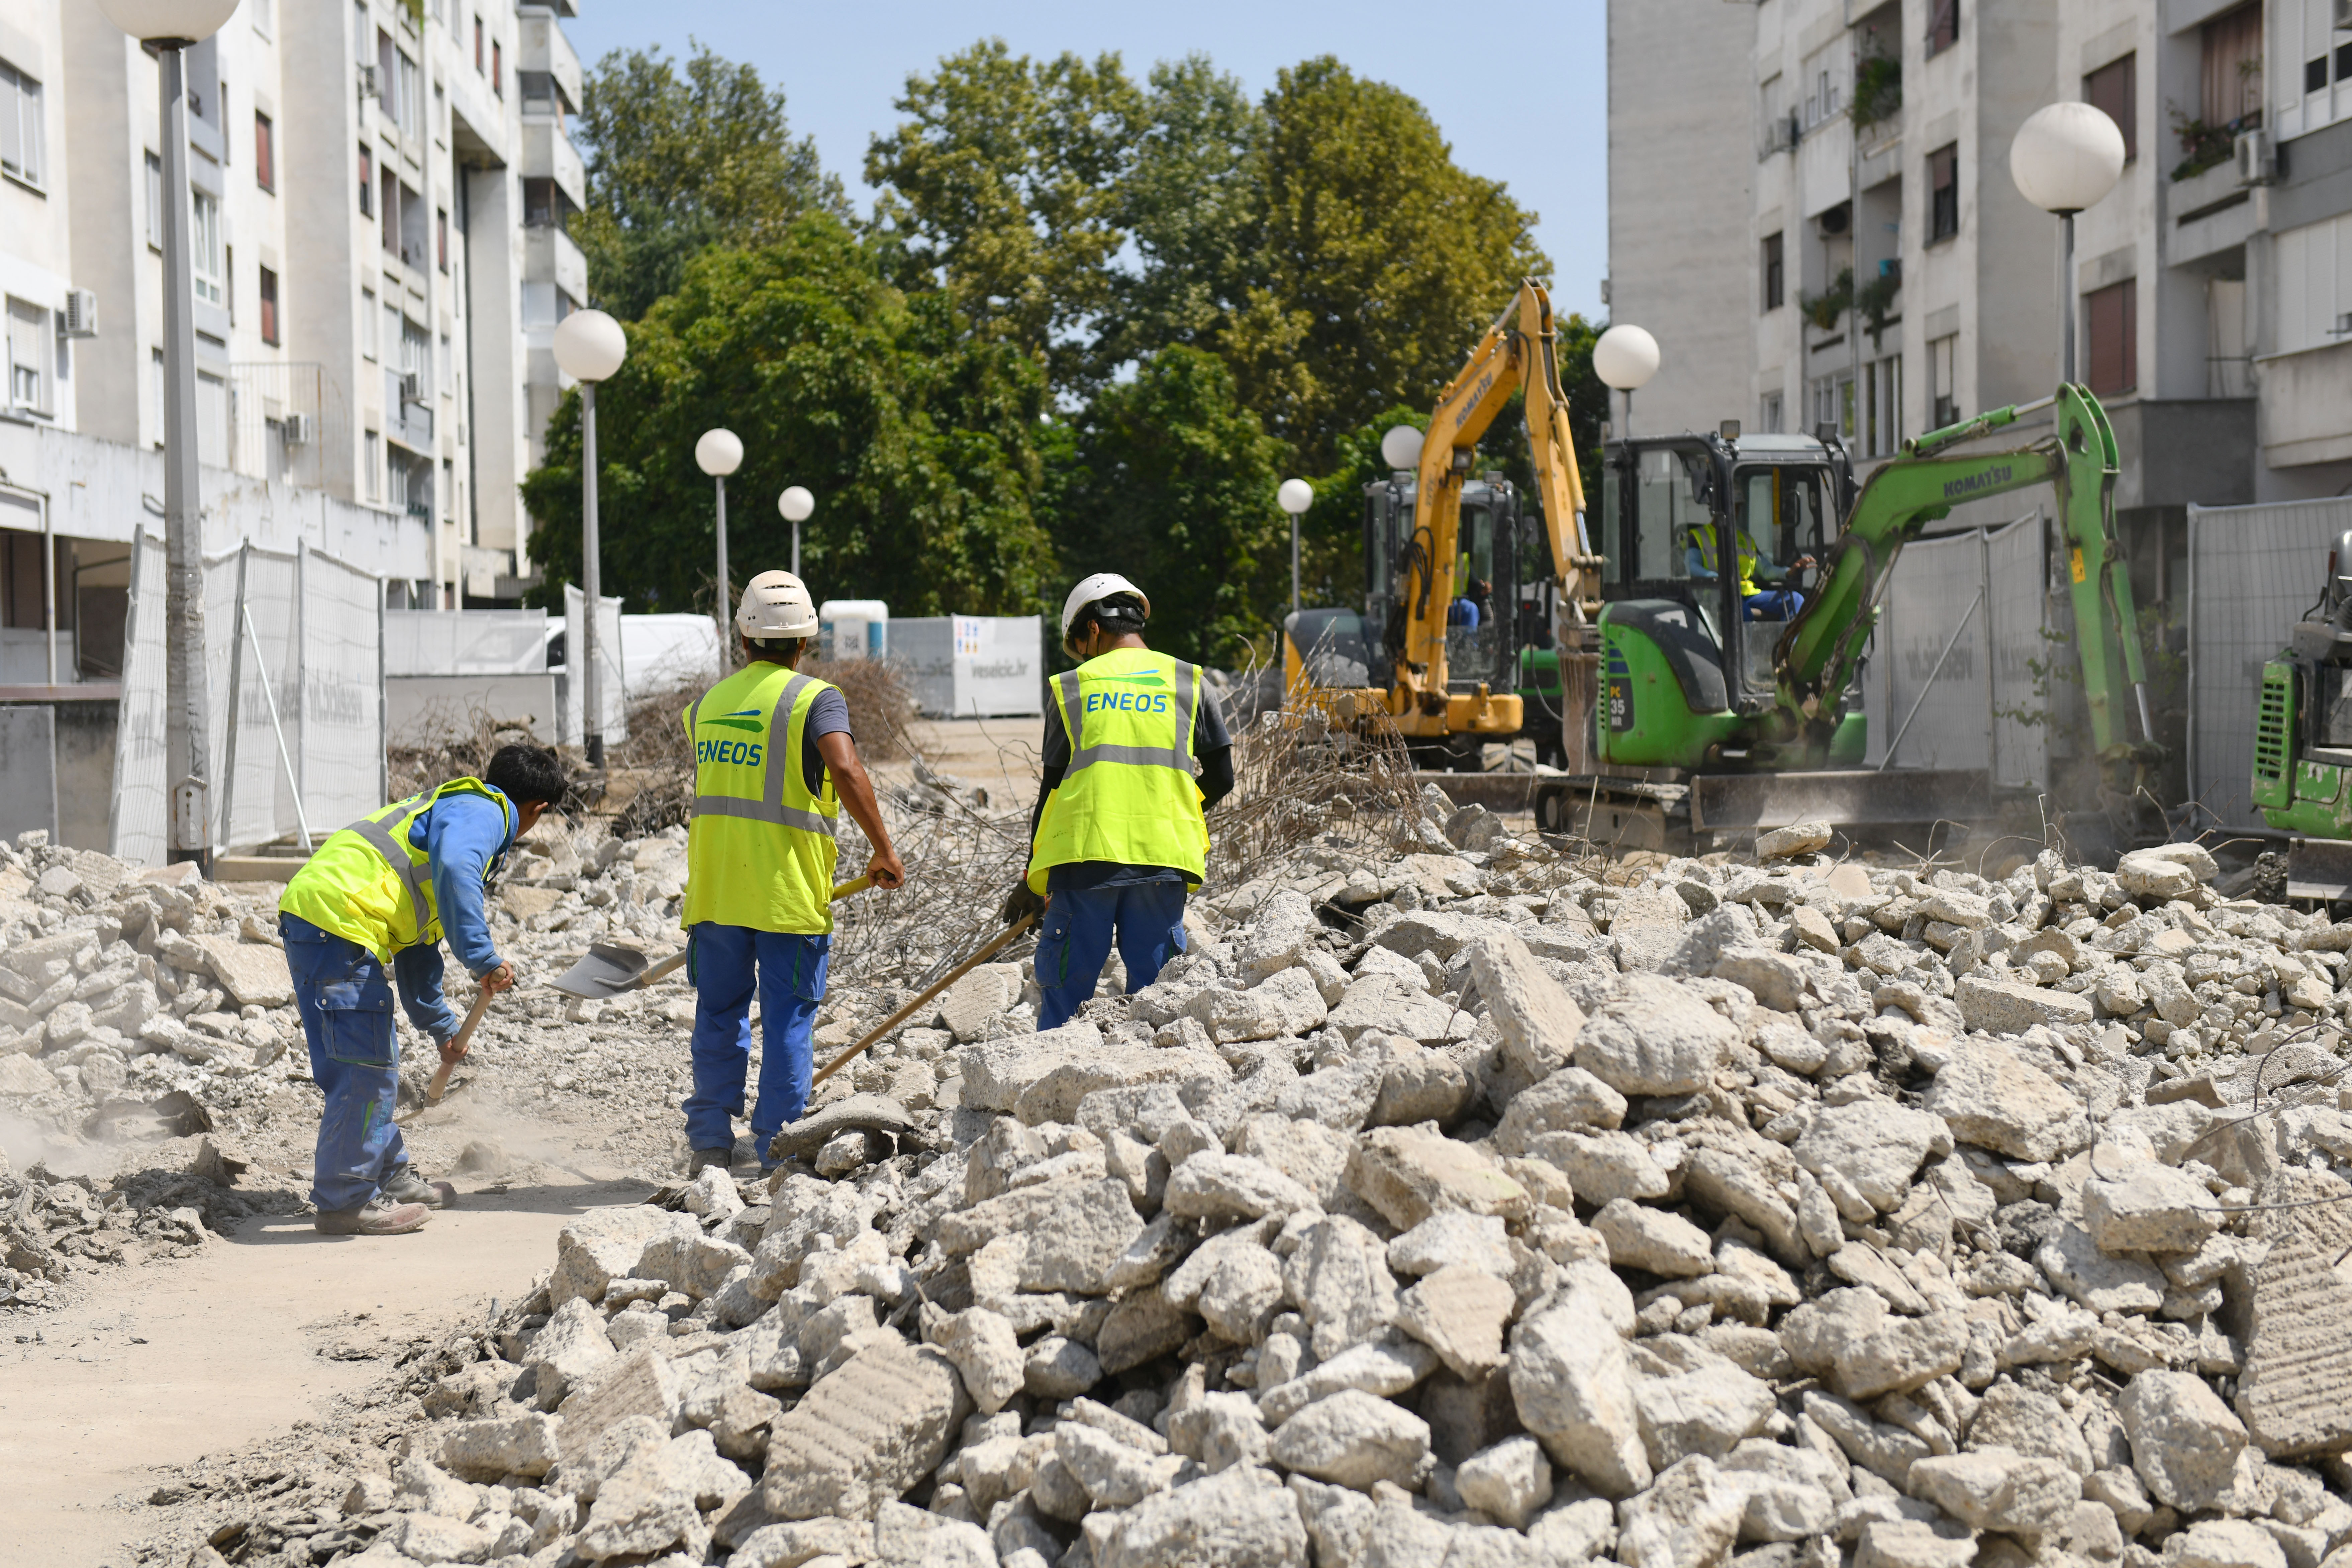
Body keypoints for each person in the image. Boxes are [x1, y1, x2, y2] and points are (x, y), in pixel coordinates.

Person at [278, 744, 567, 1236]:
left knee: (371, 1060)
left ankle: (389, 1176)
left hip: (326, 920)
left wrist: (442, 1028)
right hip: (339, 921)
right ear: (537, 809)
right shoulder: (486, 811)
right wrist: (483, 958)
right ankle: (346, 1200)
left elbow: (418, 956)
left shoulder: (445, 813)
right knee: (365, 1069)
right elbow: (459, 872)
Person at [680, 570, 905, 1177]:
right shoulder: (815, 699)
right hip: (787, 895)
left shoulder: (705, 706)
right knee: (787, 1019)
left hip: (716, 890)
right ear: (805, 641)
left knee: (719, 1014)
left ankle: (708, 1145)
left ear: (743, 640)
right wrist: (883, 848)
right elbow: (847, 767)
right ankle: (777, 1150)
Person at [1004, 573, 1234, 1029]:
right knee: (1159, 1004)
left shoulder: (1072, 687)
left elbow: (1052, 792)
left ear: (1092, 629)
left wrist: (1034, 879)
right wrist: (1171, 812)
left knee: (1064, 1001)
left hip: (1084, 861)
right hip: (1162, 862)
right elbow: (1223, 779)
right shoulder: (1190, 681)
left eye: (1080, 644)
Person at [1689, 520, 1814, 621]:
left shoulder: (1746, 538)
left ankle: (1789, 647)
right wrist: (1719, 578)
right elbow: (1692, 566)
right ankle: (1745, 651)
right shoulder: (1699, 536)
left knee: (1796, 600)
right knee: (1739, 609)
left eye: (1738, 506)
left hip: (1747, 592)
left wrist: (1789, 572)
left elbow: (1766, 570)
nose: (1735, 510)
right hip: (1717, 594)